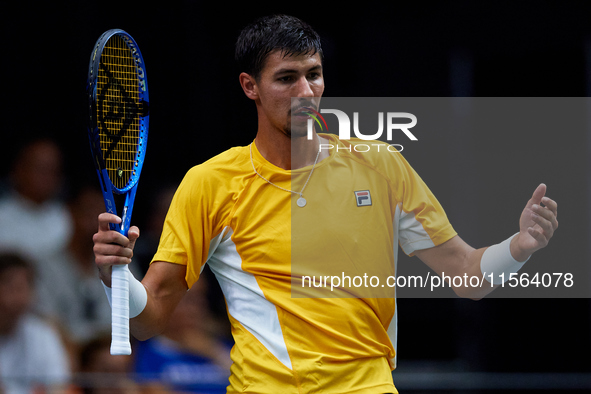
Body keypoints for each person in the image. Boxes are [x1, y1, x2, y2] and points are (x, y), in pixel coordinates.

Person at [92, 15, 558, 393]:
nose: (305, 92)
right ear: (249, 86)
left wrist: (519, 247)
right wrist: (118, 276)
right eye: (287, 79)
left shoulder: (381, 166)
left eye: (313, 75)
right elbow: (150, 318)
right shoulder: (211, 183)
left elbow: (467, 276)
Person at [0, 252, 71, 393]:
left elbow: (59, 386)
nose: (19, 296)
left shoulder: (43, 334)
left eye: (24, 287)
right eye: (12, 287)